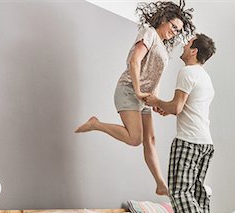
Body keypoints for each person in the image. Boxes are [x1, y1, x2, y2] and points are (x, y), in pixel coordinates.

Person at [75, 1, 195, 196]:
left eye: (178, 30)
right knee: (135, 139)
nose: (174, 32)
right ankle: (96, 124)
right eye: (173, 26)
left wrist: (155, 101)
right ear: (164, 20)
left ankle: (160, 185)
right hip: (129, 90)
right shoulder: (149, 33)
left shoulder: (163, 47)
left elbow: (154, 75)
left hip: (144, 98)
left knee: (151, 139)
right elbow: (134, 60)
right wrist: (139, 91)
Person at [144, 33, 216, 213]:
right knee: (197, 192)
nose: (184, 45)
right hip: (206, 143)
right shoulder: (204, 76)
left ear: (194, 51)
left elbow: (177, 107)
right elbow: (184, 106)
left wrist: (155, 101)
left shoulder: (187, 72)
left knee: (179, 192)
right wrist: (166, 108)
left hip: (188, 141)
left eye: (188, 43)